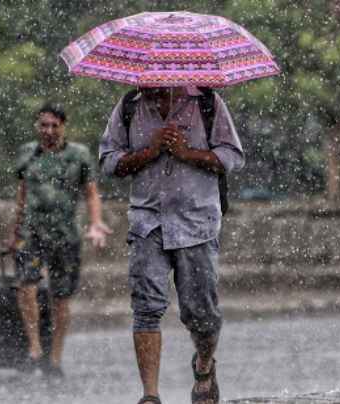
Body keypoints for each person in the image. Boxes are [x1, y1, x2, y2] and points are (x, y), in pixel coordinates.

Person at [99, 86, 244, 404]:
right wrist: (148, 152)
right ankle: (150, 395)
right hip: (147, 222)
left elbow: (231, 157)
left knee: (202, 315)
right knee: (146, 308)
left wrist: (186, 153)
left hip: (197, 223)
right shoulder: (129, 105)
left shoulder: (207, 102)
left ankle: (204, 366)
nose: (151, 84)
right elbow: (109, 161)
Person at [6, 103, 112, 378]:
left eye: (55, 125)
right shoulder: (27, 153)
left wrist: (96, 222)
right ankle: (34, 349)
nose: (49, 130)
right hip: (31, 233)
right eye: (44, 125)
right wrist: (15, 230)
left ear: (64, 127)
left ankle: (54, 357)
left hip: (65, 235)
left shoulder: (79, 155)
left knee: (61, 298)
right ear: (37, 126)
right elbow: (22, 192)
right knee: (26, 286)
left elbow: (91, 192)